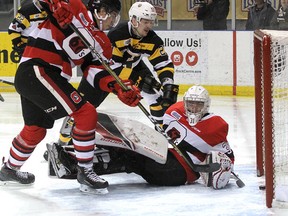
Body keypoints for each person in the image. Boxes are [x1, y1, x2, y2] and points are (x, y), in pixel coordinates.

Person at [0, 0, 141, 193]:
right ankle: (85, 170)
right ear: (101, 10)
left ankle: (9, 169)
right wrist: (54, 3)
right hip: (38, 68)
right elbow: (35, 5)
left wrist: (117, 86)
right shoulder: (75, 7)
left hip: (42, 76)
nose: (112, 22)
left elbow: (94, 73)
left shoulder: (102, 43)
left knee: (35, 130)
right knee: (86, 114)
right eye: (113, 15)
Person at [48, 85, 235, 189]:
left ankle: (73, 166)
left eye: (198, 105)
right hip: (166, 156)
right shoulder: (175, 111)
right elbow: (164, 133)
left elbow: (228, 157)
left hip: (178, 173)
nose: (194, 108)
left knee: (129, 157)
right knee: (123, 147)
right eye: (191, 104)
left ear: (206, 106)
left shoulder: (216, 125)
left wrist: (223, 170)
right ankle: (75, 160)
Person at [56, 1, 179, 148]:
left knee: (156, 95)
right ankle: (63, 141)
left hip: (132, 67)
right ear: (134, 20)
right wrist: (136, 78)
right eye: (145, 22)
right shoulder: (117, 34)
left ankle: (161, 137)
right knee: (82, 107)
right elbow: (111, 66)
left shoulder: (153, 40)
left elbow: (163, 63)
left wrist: (167, 84)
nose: (149, 26)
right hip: (104, 73)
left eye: (151, 22)